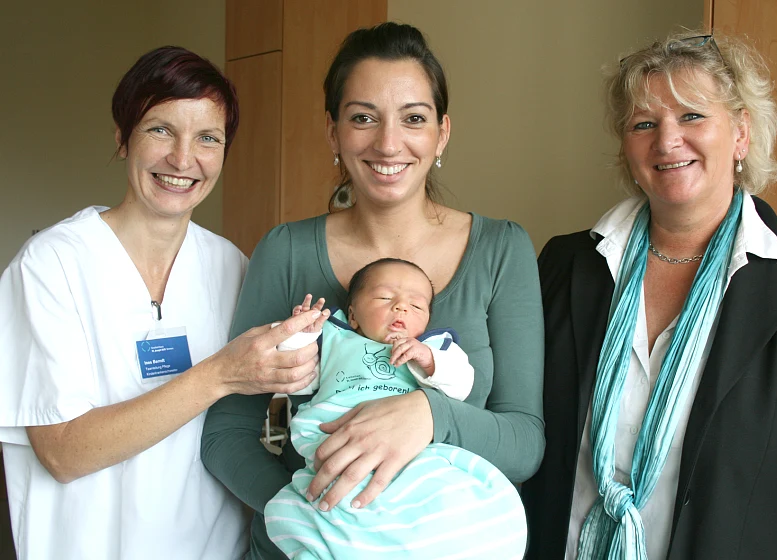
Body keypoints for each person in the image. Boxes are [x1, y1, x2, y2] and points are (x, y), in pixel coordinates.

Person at [201, 22, 545, 559]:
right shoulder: (286, 252)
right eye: (363, 118)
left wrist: (429, 415)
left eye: (413, 118)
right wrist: (329, 525)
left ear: (442, 133)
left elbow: (524, 442)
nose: (388, 143)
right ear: (333, 133)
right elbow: (228, 434)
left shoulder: (501, 250)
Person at [522, 30, 777, 559]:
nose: (667, 142)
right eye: (644, 124)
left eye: (692, 116)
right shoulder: (566, 264)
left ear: (741, 132)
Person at [0, 46, 327, 559]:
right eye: (160, 130)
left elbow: (255, 427)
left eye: (207, 138)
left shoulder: (232, 266)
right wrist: (220, 373)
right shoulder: (51, 266)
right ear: (122, 136)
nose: (182, 158)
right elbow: (62, 452)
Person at [266, 258, 527, 559]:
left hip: (413, 454)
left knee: (449, 497)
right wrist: (299, 337)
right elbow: (294, 383)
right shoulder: (334, 338)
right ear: (352, 315)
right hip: (336, 439)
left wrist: (428, 359)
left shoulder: (435, 347)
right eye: (384, 298)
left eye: (416, 306)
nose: (401, 307)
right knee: (326, 506)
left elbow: (462, 385)